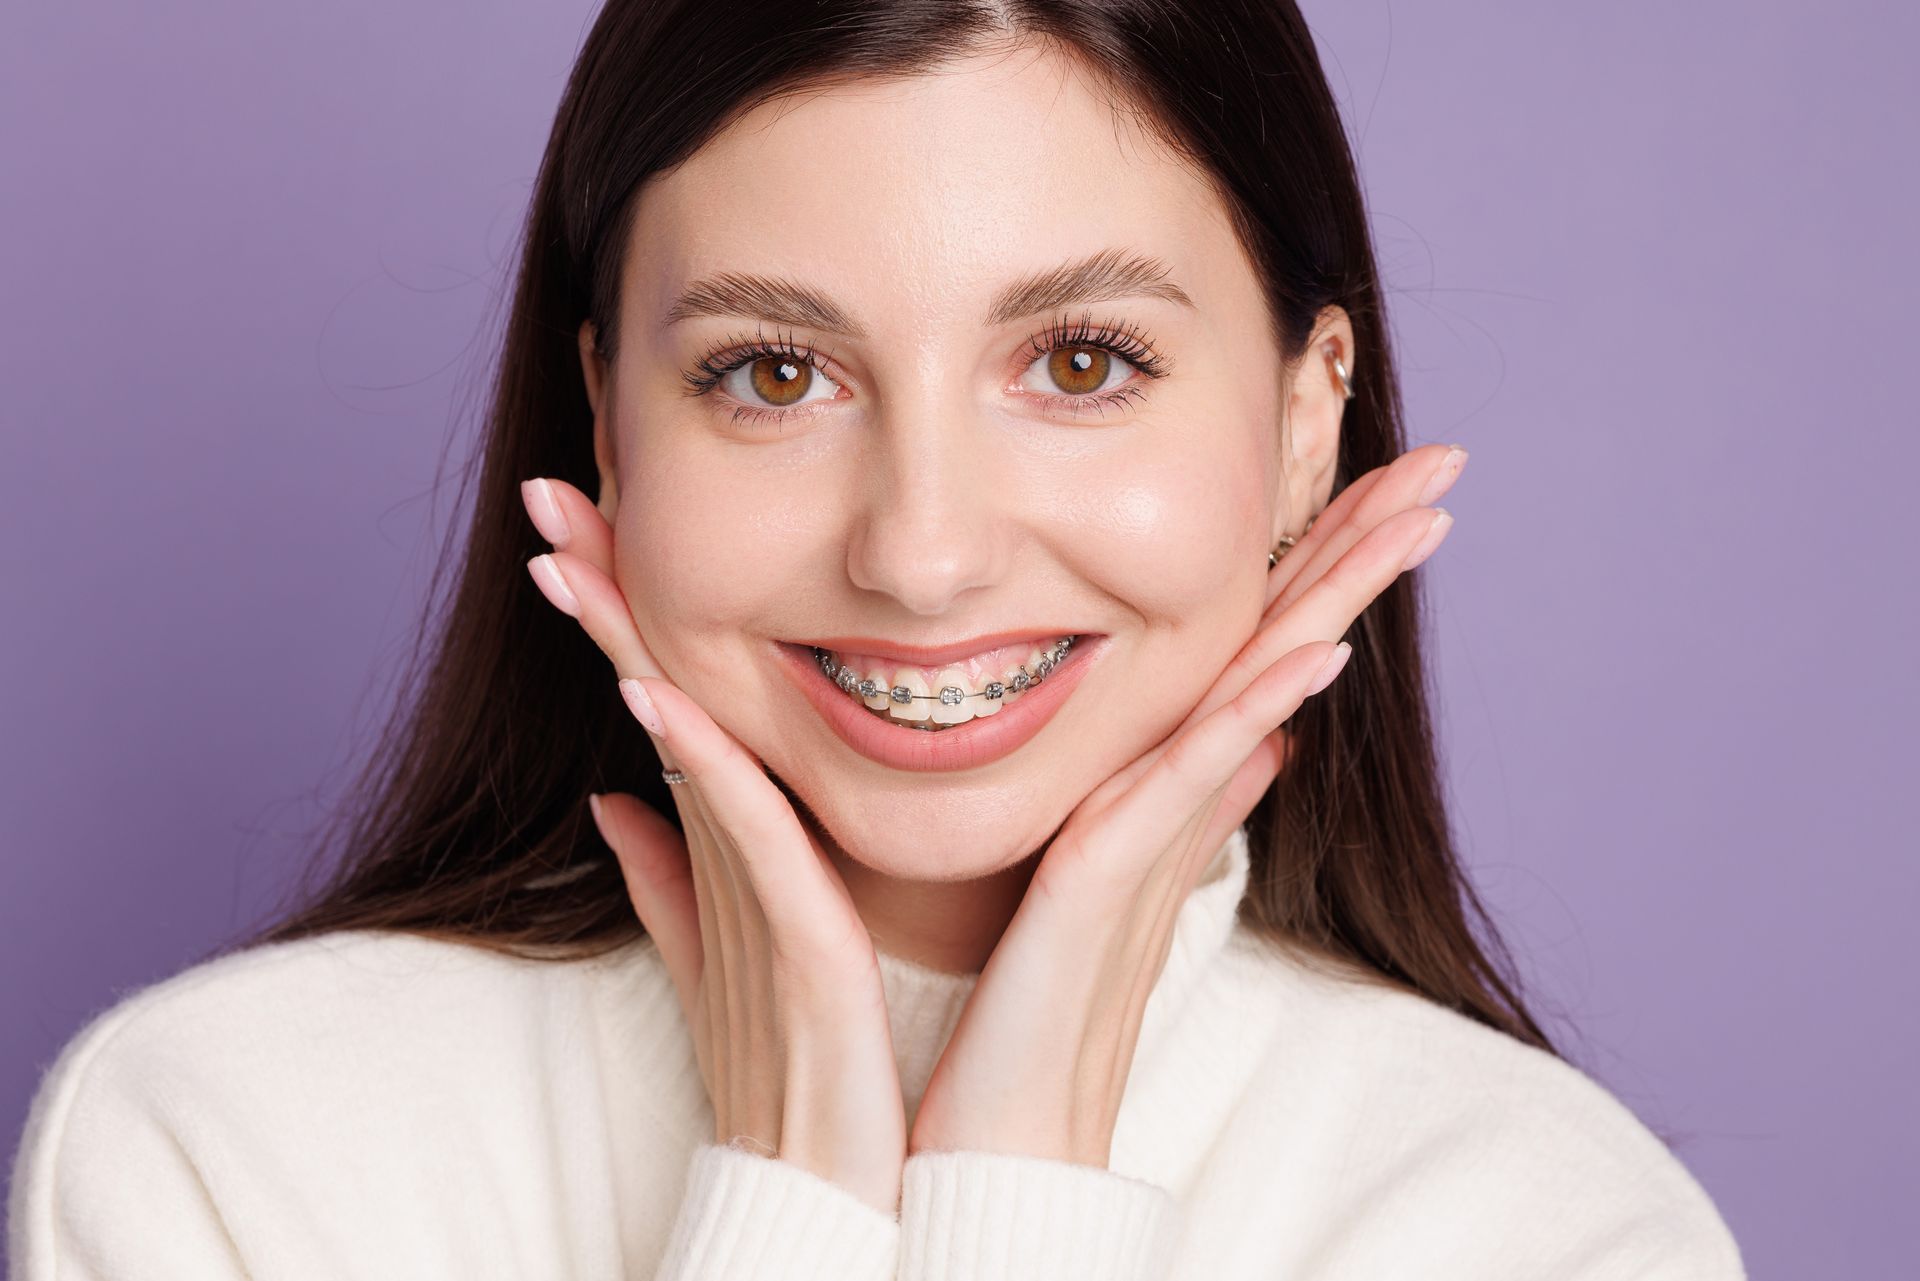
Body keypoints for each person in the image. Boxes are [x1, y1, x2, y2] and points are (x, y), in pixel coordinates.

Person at [8, 2, 1746, 1277]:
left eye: (1080, 362)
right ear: (608, 421)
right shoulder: (226, 1154)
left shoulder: (1549, 1229)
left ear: (1309, 418)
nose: (921, 554)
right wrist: (791, 1202)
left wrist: (1018, 1182)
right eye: (776, 372)